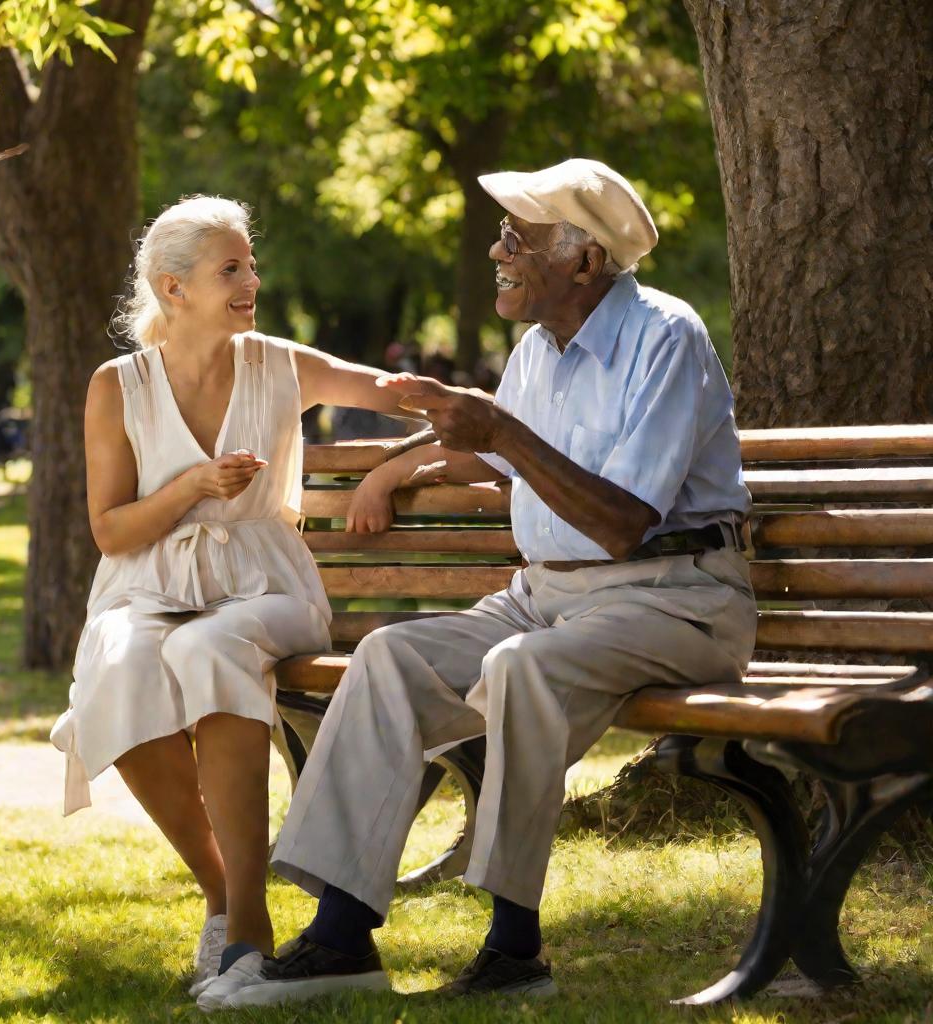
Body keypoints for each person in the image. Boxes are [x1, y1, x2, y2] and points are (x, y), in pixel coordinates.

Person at [205, 159, 758, 1011]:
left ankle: (513, 950)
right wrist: (401, 467)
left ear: (584, 262)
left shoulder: (666, 338)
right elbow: (493, 450)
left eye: (519, 234)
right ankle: (341, 938)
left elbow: (622, 522)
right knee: (389, 655)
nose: (498, 247)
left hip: (677, 596)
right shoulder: (542, 347)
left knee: (521, 668)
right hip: (547, 596)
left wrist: (499, 424)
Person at [48, 195, 421, 1010]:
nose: (252, 280)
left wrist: (401, 458)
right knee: (114, 666)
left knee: (208, 647)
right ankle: (222, 894)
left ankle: (249, 929)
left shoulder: (279, 363)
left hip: (265, 586)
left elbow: (403, 396)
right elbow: (111, 531)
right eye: (232, 269)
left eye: (250, 263)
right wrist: (188, 487)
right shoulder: (117, 387)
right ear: (171, 288)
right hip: (147, 581)